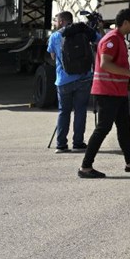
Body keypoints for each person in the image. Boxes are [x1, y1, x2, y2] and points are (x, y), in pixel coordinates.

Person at [78, 9, 130, 178]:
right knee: (103, 128)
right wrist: (129, 73)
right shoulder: (112, 39)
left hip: (117, 91)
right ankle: (85, 167)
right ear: (126, 22)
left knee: (124, 127)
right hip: (107, 92)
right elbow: (105, 64)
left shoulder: (119, 38)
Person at [48, 11, 95, 153]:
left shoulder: (55, 36)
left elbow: (52, 56)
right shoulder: (83, 32)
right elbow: (99, 40)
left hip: (63, 80)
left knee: (64, 111)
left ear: (62, 21)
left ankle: (61, 144)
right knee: (80, 110)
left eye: (56, 20)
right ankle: (78, 143)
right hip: (84, 77)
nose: (55, 23)